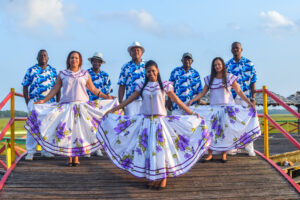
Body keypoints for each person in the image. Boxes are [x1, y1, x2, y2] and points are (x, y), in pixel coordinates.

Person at [97, 60, 211, 189]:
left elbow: (176, 100)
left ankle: (163, 178)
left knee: (162, 150)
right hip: (145, 122)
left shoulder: (164, 85)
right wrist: (113, 110)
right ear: (145, 73)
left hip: (160, 122)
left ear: (157, 71)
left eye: (153, 71)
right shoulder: (141, 86)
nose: (151, 73)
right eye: (148, 71)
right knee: (148, 150)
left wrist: (191, 112)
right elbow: (130, 99)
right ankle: (151, 176)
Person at [25, 51, 116, 167]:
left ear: (80, 61)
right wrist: (43, 100)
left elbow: (93, 90)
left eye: (76, 58)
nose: (74, 60)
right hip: (67, 107)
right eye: (72, 58)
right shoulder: (62, 74)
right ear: (68, 60)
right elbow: (54, 90)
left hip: (81, 107)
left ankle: (76, 157)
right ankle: (69, 157)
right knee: (68, 133)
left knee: (78, 133)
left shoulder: (85, 74)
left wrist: (107, 97)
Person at [187, 57, 261, 162]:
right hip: (214, 108)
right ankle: (210, 154)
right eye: (215, 65)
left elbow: (238, 90)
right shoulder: (209, 79)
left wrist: (249, 102)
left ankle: (224, 154)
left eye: (219, 64)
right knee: (210, 130)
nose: (217, 66)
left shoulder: (229, 77)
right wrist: (192, 100)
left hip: (227, 108)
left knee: (225, 132)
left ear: (223, 65)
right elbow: (202, 93)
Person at [22, 49, 60, 161]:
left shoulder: (53, 71)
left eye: (45, 55)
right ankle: (30, 152)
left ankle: (46, 150)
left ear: (48, 58)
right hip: (35, 102)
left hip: (50, 103)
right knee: (32, 127)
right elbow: (25, 86)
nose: (43, 57)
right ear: (37, 58)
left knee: (48, 128)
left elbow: (57, 88)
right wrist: (27, 102)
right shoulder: (31, 70)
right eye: (41, 55)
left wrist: (57, 102)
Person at [226, 42, 257, 156]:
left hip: (246, 97)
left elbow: (253, 83)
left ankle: (249, 148)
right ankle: (233, 147)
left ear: (241, 49)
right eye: (233, 48)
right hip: (232, 98)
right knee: (233, 122)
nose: (235, 50)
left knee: (248, 122)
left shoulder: (249, 64)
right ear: (231, 50)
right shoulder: (227, 65)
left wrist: (253, 98)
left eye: (237, 48)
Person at [87, 52, 113, 157]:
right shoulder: (86, 74)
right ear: (92, 62)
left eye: (98, 61)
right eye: (94, 61)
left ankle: (97, 148)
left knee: (99, 126)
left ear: (101, 63)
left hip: (101, 104)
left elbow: (108, 91)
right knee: (88, 126)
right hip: (88, 103)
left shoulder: (105, 75)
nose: (96, 63)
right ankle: (88, 149)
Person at [118, 41, 145, 115]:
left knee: (145, 123)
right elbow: (122, 85)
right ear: (130, 54)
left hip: (145, 100)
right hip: (130, 101)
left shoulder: (147, 65)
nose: (135, 52)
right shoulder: (125, 67)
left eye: (137, 50)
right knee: (132, 123)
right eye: (133, 50)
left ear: (141, 53)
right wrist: (120, 102)